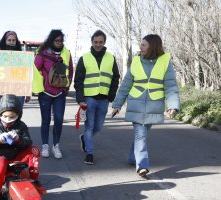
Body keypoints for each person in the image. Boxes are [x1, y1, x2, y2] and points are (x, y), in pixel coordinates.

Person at [112, 34, 180, 177]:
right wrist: (117, 104)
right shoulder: (136, 61)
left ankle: (132, 157)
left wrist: (172, 105)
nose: (140, 48)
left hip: (154, 107)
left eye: (143, 45)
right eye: (141, 45)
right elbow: (125, 85)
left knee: (141, 136)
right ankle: (142, 165)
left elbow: (171, 86)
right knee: (140, 135)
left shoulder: (165, 63)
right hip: (136, 105)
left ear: (152, 47)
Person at [74, 30, 120, 165]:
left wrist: (112, 95)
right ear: (91, 42)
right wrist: (80, 98)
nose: (98, 45)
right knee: (89, 127)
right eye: (95, 42)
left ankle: (84, 139)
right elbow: (78, 80)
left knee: (98, 127)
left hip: (104, 98)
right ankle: (89, 153)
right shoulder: (85, 58)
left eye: (100, 42)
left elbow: (115, 78)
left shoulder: (111, 58)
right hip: (89, 98)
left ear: (104, 42)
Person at [33, 29, 73, 159]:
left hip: (60, 93)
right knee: (46, 120)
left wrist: (67, 85)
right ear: (51, 40)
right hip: (45, 93)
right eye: (57, 40)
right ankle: (45, 145)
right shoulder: (43, 54)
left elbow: (70, 70)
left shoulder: (66, 53)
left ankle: (56, 145)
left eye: (61, 40)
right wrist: (41, 84)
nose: (59, 43)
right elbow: (34, 69)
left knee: (59, 120)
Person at [0, 30, 30, 108]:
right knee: (3, 114)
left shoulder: (22, 56)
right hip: (1, 90)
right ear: (5, 41)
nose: (11, 42)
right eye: (9, 40)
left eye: (13, 40)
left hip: (19, 90)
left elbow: (26, 74)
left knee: (17, 113)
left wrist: (28, 92)